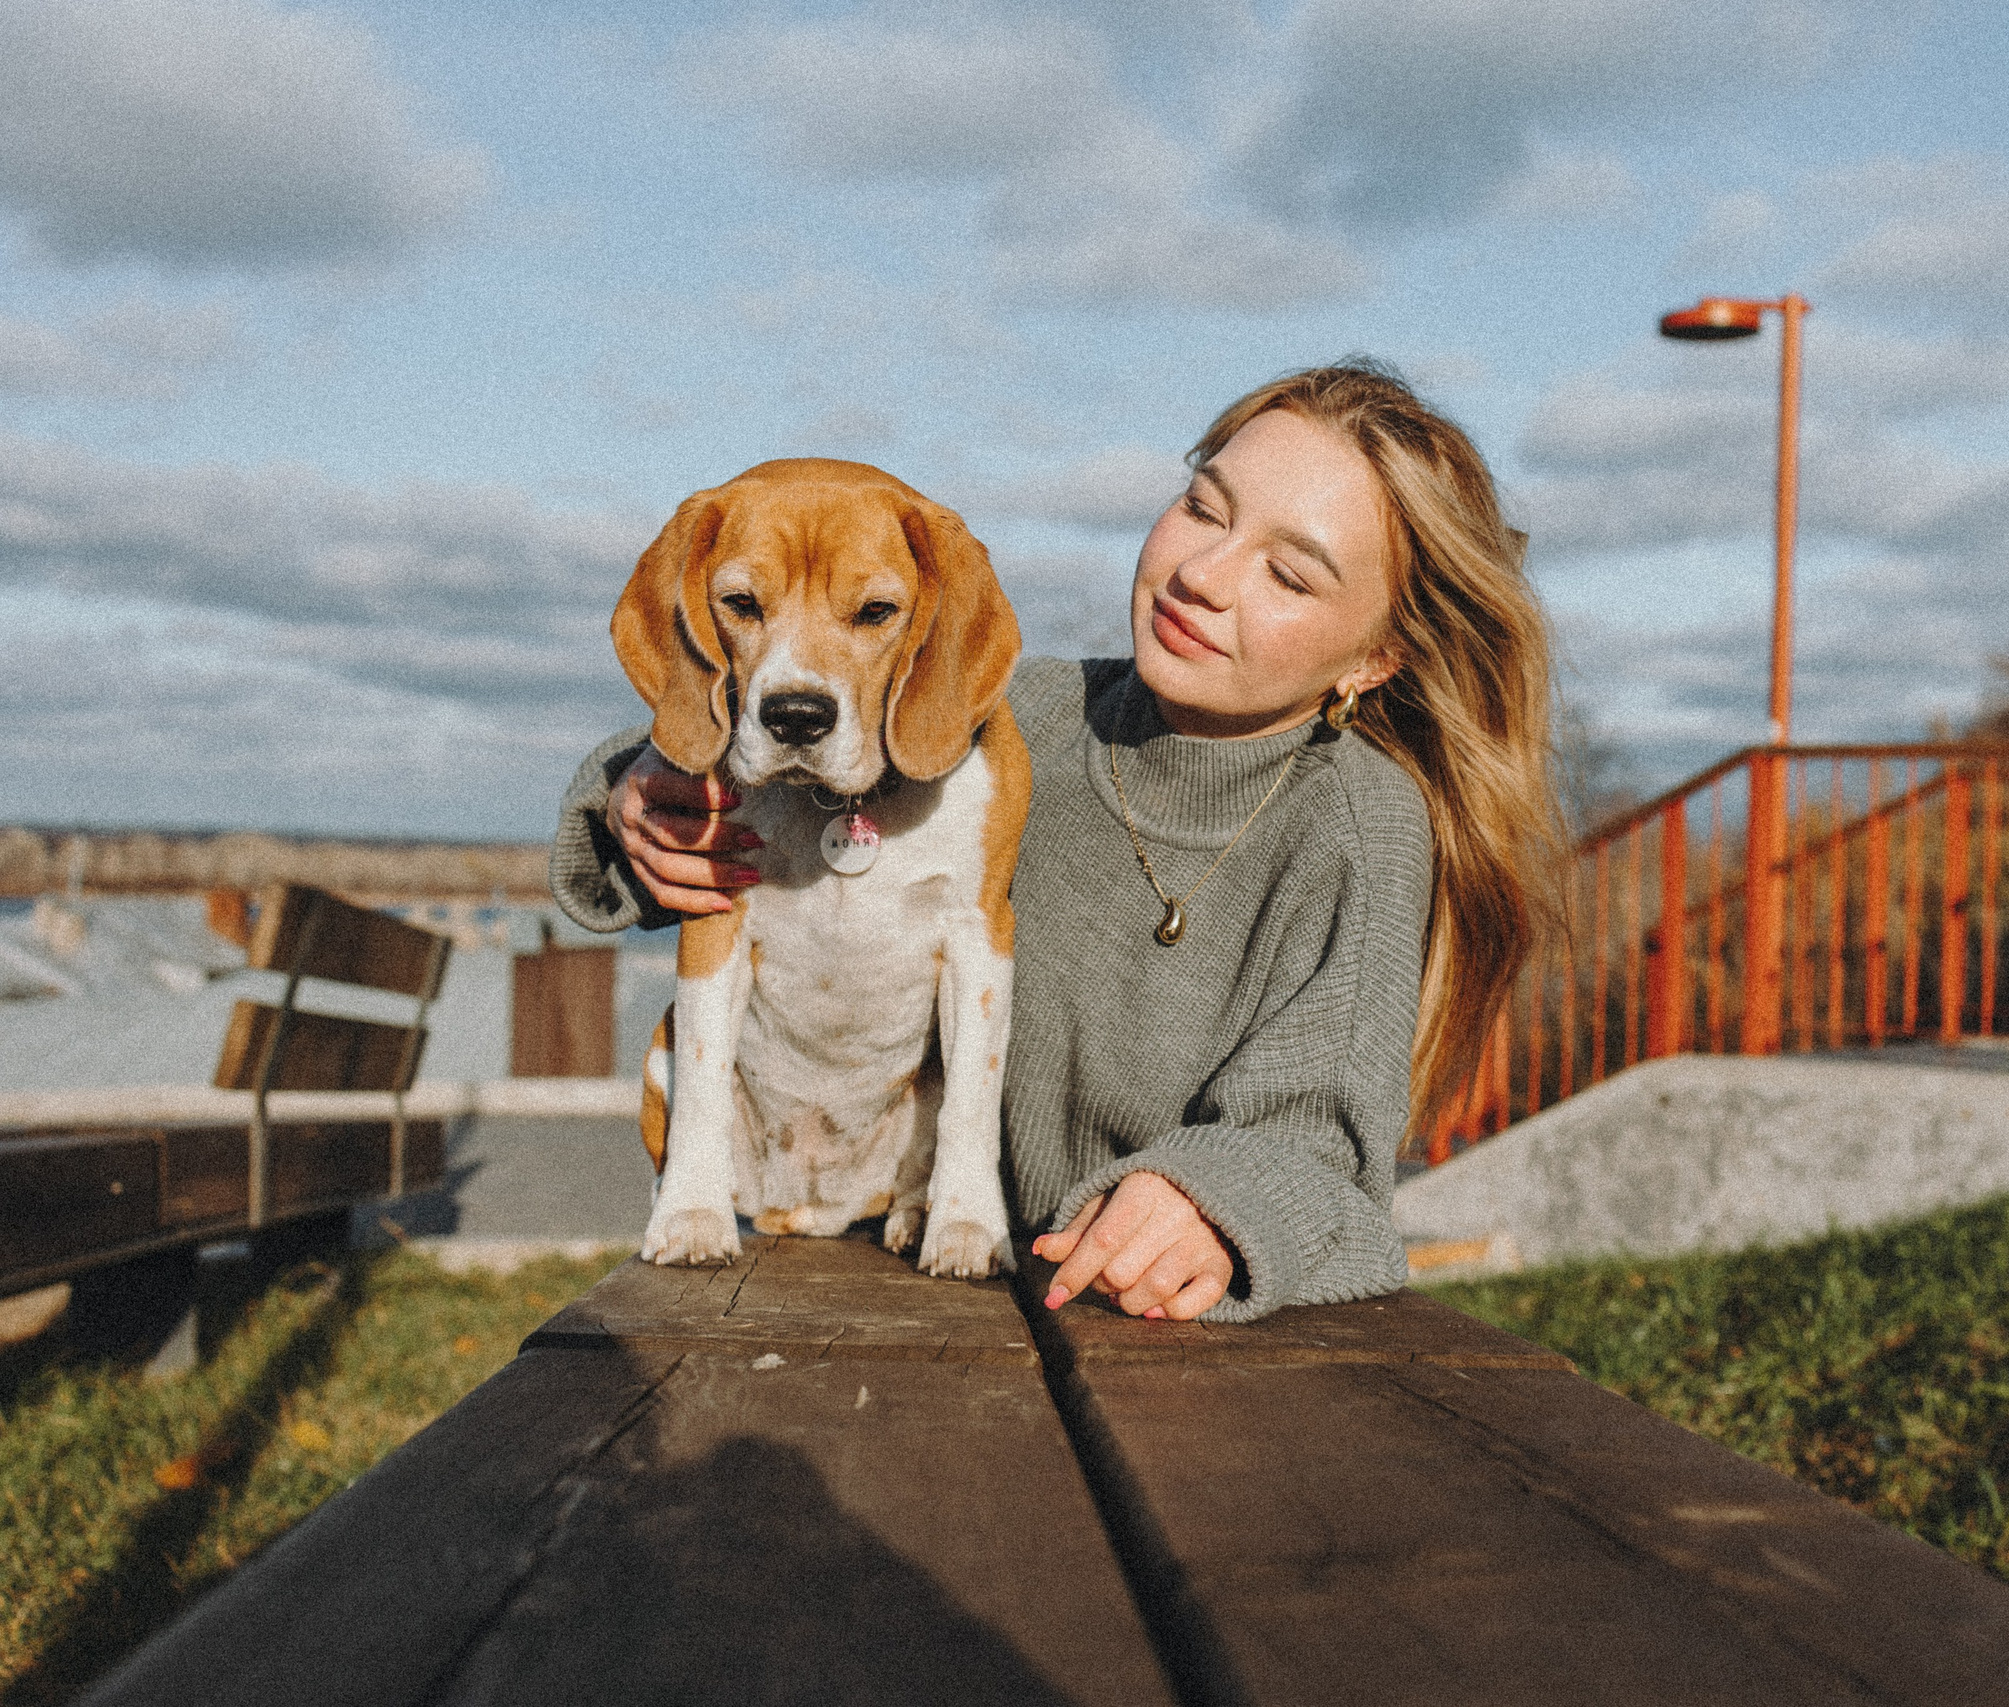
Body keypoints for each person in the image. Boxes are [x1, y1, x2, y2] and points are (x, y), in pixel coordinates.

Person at [550, 361, 1561, 1322]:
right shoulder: (1006, 715)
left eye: (1288, 575)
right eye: (1202, 508)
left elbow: (1320, 1132)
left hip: (1148, 1324)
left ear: (1377, 657)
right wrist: (636, 786)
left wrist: (1213, 1203)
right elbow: (783, 748)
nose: (1203, 573)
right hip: (926, 1275)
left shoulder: (1361, 824)